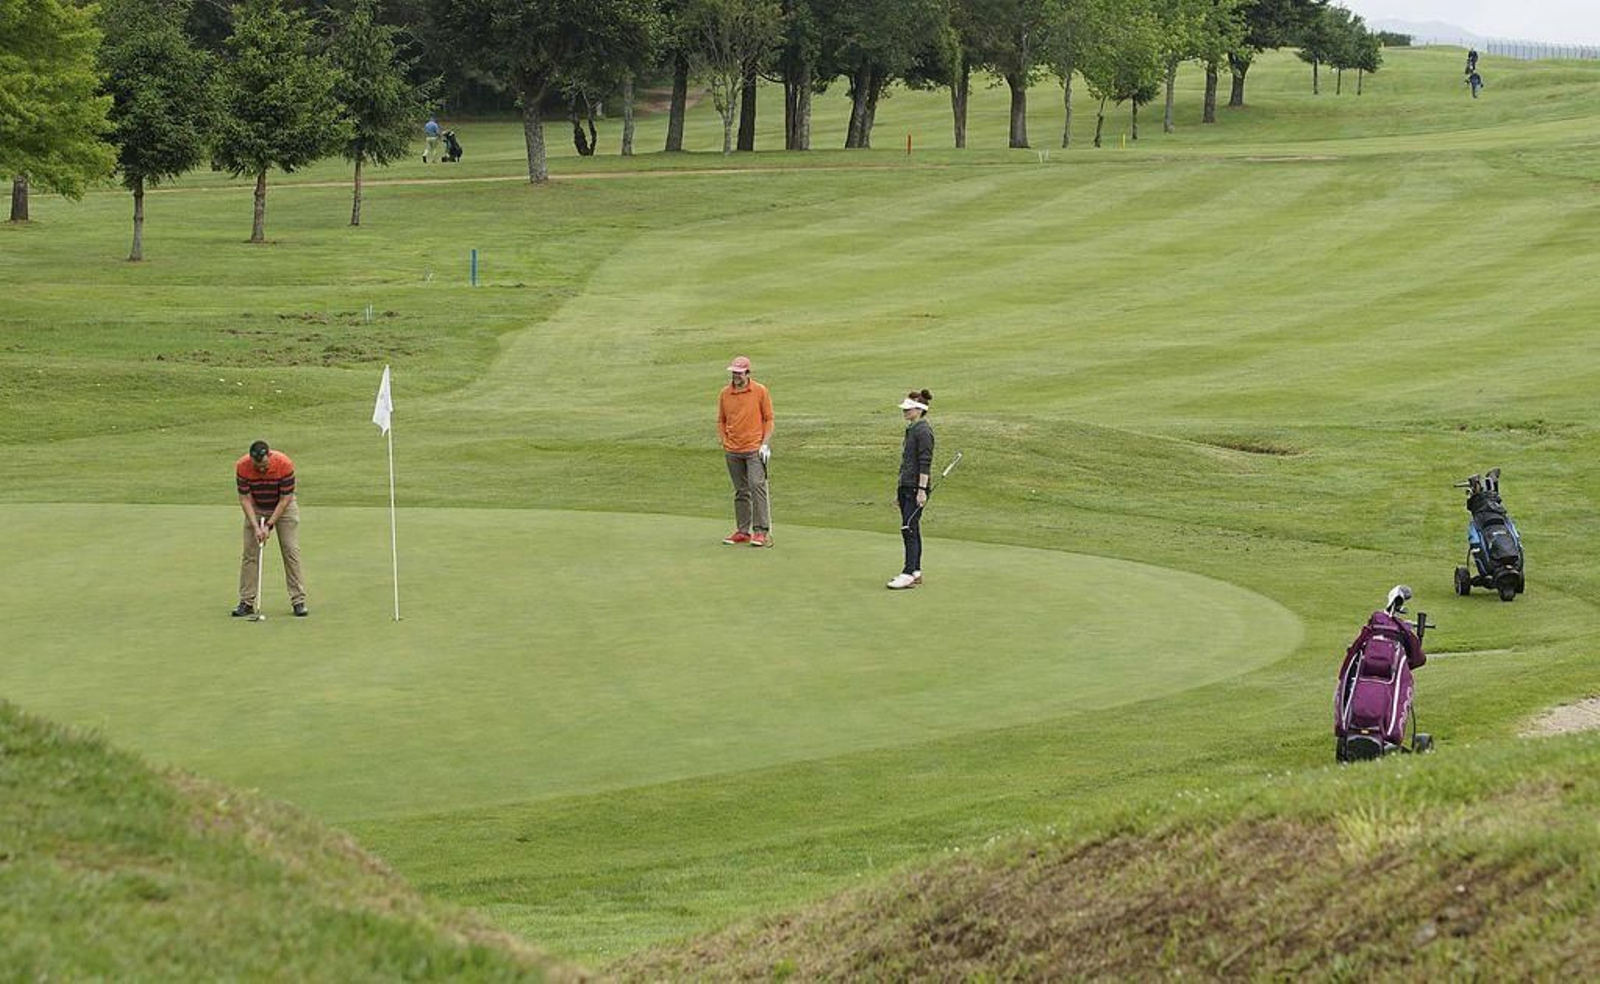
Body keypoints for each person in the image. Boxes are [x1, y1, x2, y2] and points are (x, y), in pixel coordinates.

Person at [234, 439, 308, 617]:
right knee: (250, 553)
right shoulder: (243, 466)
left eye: (264, 465)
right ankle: (246, 601)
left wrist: (268, 525)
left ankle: (298, 600)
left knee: (290, 550)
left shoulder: (284, 464)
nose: (261, 469)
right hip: (256, 507)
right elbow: (244, 499)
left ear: (270, 456)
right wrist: (256, 527)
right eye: (257, 465)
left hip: (284, 507)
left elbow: (285, 499)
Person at [717, 355, 774, 547]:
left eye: (739, 373)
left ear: (748, 373)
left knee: (756, 486)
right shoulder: (725, 394)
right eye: (734, 372)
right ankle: (743, 531)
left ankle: (761, 531)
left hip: (754, 449)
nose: (736, 376)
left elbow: (769, 419)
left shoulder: (760, 391)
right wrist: (725, 441)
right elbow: (721, 420)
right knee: (741, 491)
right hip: (733, 450)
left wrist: (765, 443)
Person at [888, 390, 934, 590]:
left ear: (919, 410)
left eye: (908, 409)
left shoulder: (923, 431)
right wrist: (899, 490)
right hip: (906, 487)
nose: (905, 412)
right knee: (910, 529)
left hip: (916, 487)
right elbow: (905, 463)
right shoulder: (911, 429)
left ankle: (907, 573)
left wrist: (922, 490)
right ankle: (915, 572)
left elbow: (925, 463)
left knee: (909, 528)